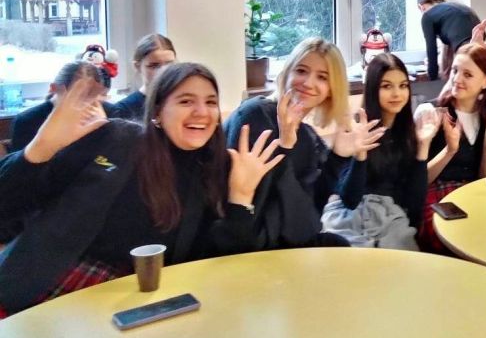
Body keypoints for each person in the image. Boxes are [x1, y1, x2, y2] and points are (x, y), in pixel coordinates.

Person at [0, 63, 283, 317]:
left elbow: (226, 264)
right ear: (157, 110)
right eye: (186, 101)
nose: (202, 112)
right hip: (54, 286)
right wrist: (39, 149)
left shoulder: (214, 170)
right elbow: (8, 208)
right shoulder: (115, 138)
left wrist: (241, 198)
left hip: (142, 304)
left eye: (211, 102)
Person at [223, 38, 383, 251]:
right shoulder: (254, 116)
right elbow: (256, 208)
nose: (308, 83)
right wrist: (285, 147)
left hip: (290, 241)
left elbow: (311, 212)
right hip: (248, 243)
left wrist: (339, 156)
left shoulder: (309, 138)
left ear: (331, 89)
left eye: (322, 77)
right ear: (287, 73)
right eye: (301, 71)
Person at [322, 54, 440, 250]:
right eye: (386, 86)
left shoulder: (408, 134)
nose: (397, 94)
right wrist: (360, 155)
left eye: (403, 86)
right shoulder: (357, 130)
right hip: (349, 217)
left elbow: (413, 202)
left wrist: (423, 146)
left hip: (389, 217)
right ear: (372, 89)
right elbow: (350, 200)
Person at [414, 42, 486, 251]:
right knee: (458, 239)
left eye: (468, 75)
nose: (457, 79)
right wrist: (449, 151)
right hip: (436, 197)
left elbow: (483, 181)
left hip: (472, 194)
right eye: (455, 71)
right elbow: (417, 181)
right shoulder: (430, 112)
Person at [9, 61, 111, 153]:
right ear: (53, 88)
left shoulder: (101, 114)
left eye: (90, 99)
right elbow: (21, 166)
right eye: (76, 97)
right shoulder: (27, 121)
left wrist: (104, 130)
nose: (84, 105)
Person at [108, 33, 177, 122]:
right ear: (137, 66)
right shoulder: (123, 110)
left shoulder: (182, 102)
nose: (163, 71)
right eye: (154, 66)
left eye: (169, 64)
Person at [417, 0, 481, 81]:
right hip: (482, 46)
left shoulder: (427, 16)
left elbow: (431, 51)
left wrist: (432, 77)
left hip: (466, 51)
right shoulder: (452, 8)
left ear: (421, 7)